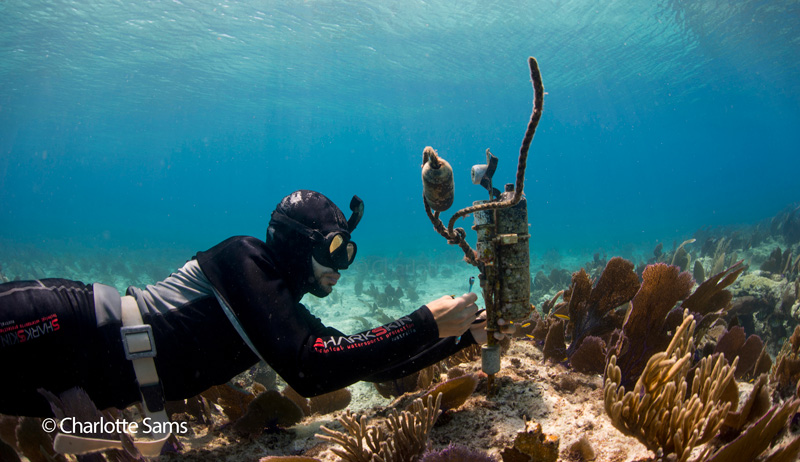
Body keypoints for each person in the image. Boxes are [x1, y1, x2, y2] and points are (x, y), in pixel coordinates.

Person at [0, 190, 504, 420]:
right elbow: (311, 371)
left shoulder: (276, 306)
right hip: (61, 323)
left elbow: (363, 363)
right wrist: (423, 321)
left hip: (83, 376)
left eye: (348, 253)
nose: (342, 267)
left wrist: (461, 336)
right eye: (334, 250)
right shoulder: (244, 258)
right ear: (297, 245)